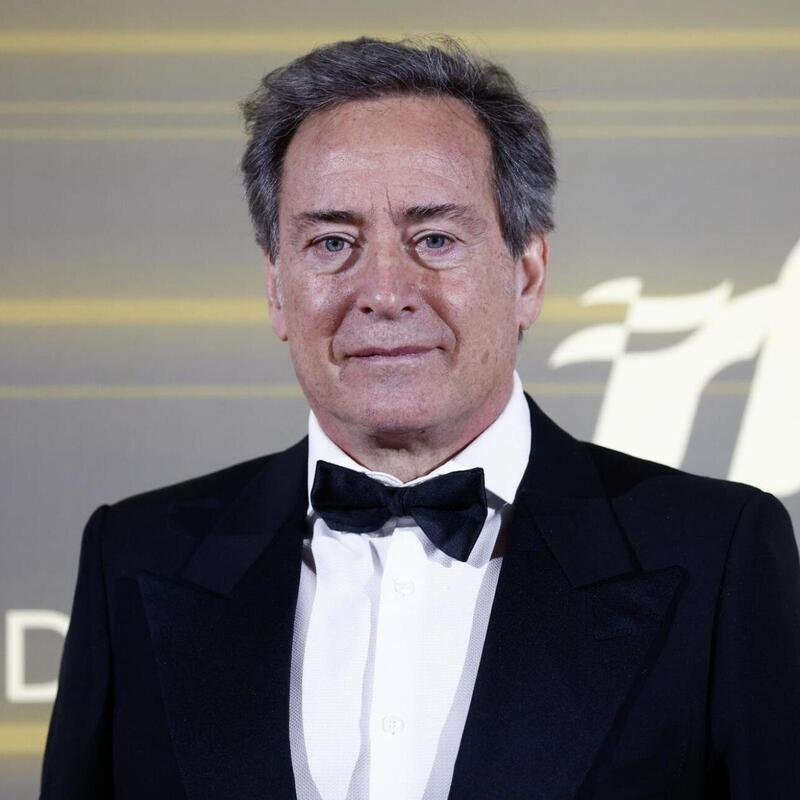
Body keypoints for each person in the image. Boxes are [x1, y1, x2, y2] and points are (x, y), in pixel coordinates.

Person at [40, 36, 800, 800]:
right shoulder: (131, 558)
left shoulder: (717, 556)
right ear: (276, 287)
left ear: (527, 274)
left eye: (434, 238)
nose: (383, 292)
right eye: (332, 242)